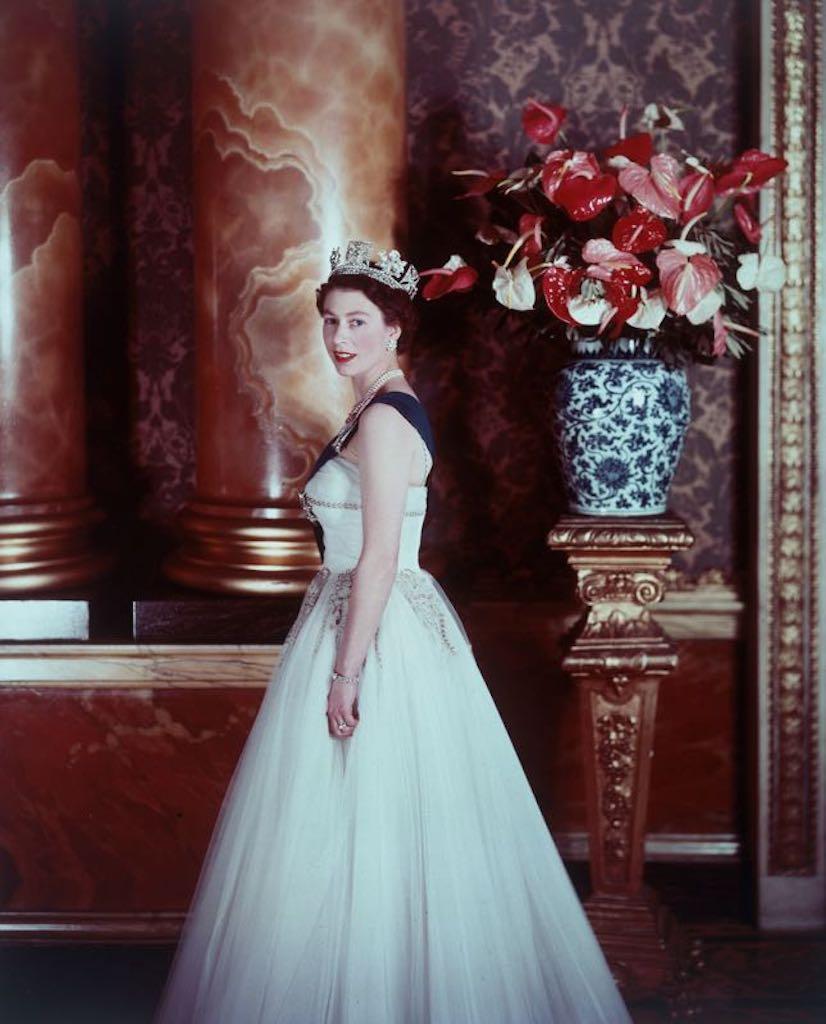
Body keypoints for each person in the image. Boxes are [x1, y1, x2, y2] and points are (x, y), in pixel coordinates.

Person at [153, 241, 632, 1023]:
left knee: (375, 812)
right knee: (346, 821)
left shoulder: (384, 419)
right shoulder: (373, 409)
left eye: (358, 322)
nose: (341, 337)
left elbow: (377, 557)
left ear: (393, 330)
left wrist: (346, 673)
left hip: (374, 634)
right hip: (357, 618)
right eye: (331, 322)